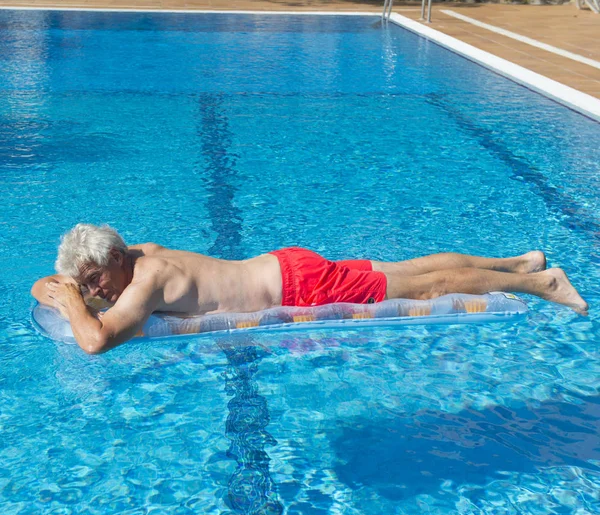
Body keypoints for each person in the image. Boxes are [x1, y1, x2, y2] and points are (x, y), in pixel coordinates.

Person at [31, 224, 588, 354]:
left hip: (300, 286)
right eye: (88, 285)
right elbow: (44, 283)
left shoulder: (146, 281)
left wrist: (76, 303)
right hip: (284, 266)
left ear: (111, 263)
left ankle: (541, 281)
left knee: (425, 285)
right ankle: (515, 260)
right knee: (409, 266)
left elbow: (96, 342)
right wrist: (70, 287)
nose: (94, 292)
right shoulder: (137, 252)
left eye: (95, 282)